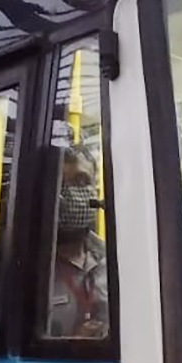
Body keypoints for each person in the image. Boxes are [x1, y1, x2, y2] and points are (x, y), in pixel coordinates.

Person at [48, 144, 109, 338]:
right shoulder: (26, 269)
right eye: (60, 184)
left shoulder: (115, 260)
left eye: (82, 181)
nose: (71, 194)